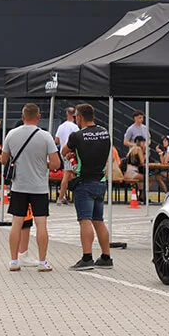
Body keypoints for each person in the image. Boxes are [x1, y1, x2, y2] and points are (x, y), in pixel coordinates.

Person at [0, 103, 60, 272]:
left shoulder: (11, 134)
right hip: (39, 187)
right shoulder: (45, 136)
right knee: (41, 224)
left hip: (19, 185)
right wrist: (43, 164)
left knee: (16, 223)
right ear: (39, 117)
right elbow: (56, 163)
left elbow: (3, 160)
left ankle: (13, 260)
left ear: (22, 116)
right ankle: (42, 261)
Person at [65, 103, 114, 271]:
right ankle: (106, 257)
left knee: (84, 220)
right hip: (100, 181)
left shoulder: (77, 136)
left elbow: (64, 150)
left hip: (84, 182)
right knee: (98, 220)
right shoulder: (104, 132)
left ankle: (87, 257)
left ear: (79, 117)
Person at [54, 106, 80, 205]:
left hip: (63, 152)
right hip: (71, 153)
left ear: (66, 114)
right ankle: (61, 197)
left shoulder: (61, 126)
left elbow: (56, 140)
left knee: (69, 174)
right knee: (68, 174)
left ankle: (63, 195)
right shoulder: (75, 127)